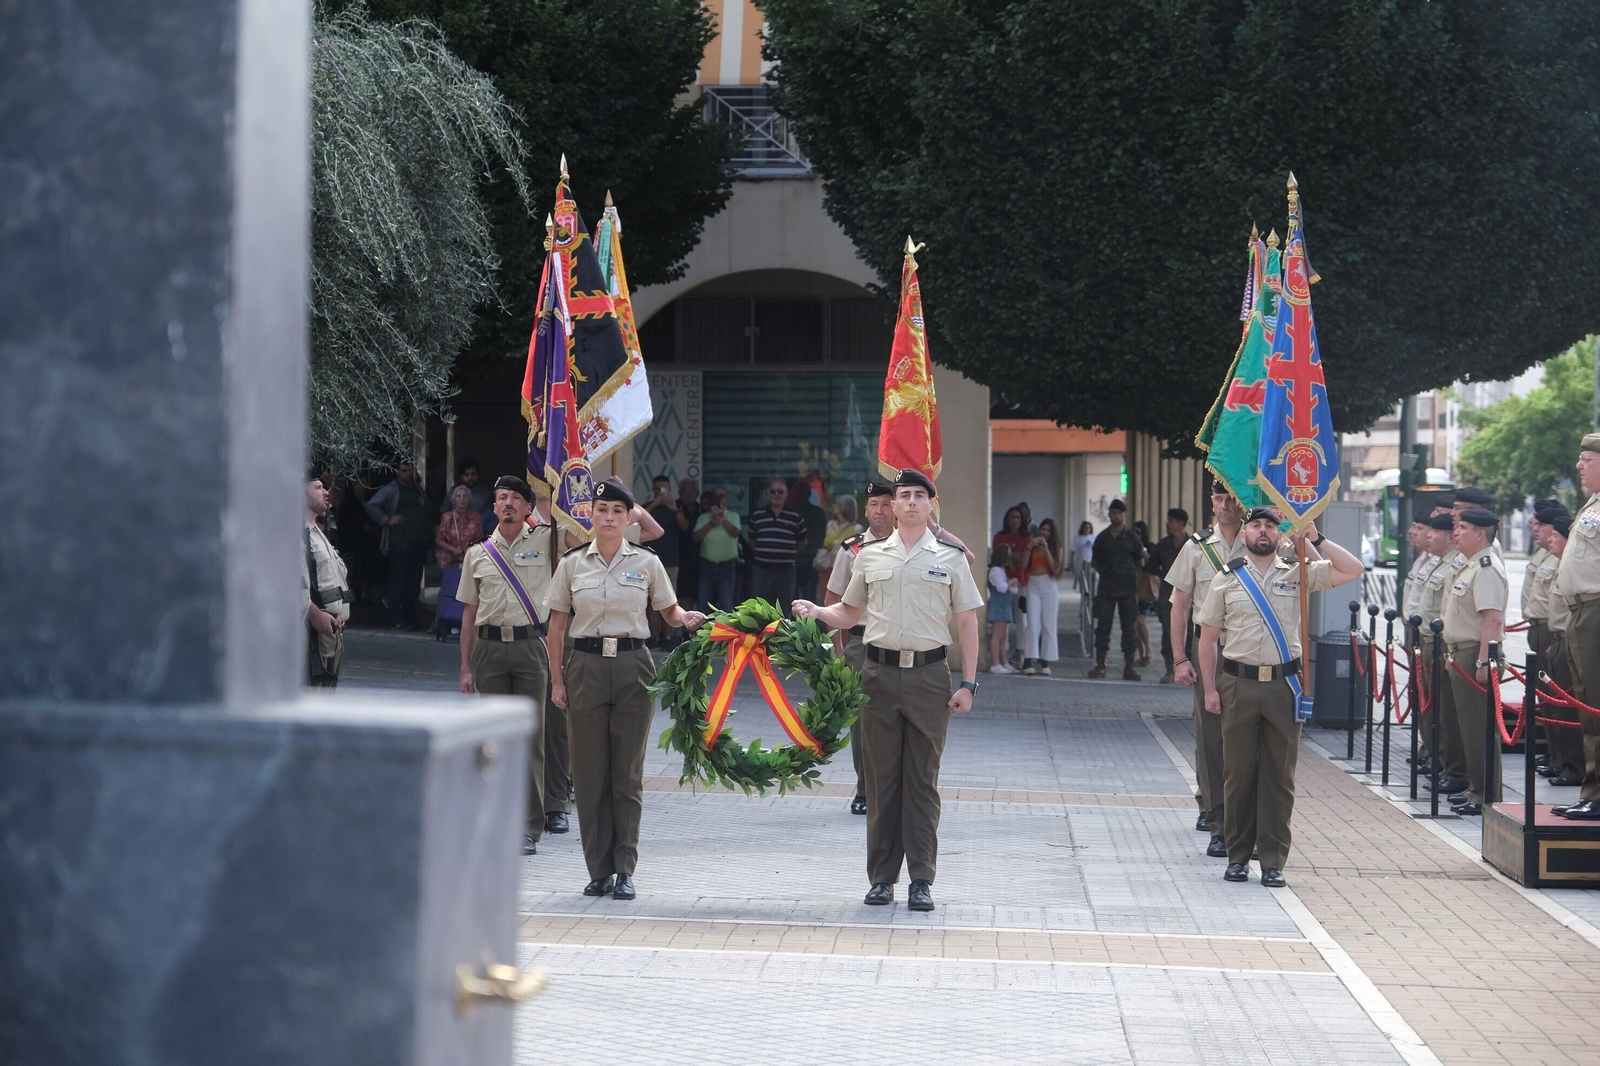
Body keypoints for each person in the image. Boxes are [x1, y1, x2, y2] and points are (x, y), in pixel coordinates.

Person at [793, 468, 982, 913]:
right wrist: (817, 610)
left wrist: (970, 683)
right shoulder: (869, 556)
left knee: (922, 782)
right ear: (891, 506)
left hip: (929, 677)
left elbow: (968, 621)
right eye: (904, 496)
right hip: (877, 677)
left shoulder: (951, 557)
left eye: (920, 495)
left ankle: (921, 879)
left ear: (930, 505)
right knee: (881, 783)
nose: (912, 502)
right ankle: (881, 879)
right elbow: (849, 610)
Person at [545, 477, 707, 899]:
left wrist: (686, 618)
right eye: (603, 511)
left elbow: (668, 611)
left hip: (635, 665)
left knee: (627, 774)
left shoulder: (647, 562)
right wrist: (557, 680)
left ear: (629, 517)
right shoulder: (572, 563)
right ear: (591, 516)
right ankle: (597, 869)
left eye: (619, 511)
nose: (610, 517)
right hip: (585, 666)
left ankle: (624, 869)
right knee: (589, 771)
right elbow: (557, 627)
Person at [1197, 508, 1363, 887]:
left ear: (1279, 534)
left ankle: (1273, 860)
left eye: (1270, 525)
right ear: (1243, 535)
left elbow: (1352, 569)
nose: (1262, 531)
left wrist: (1316, 539)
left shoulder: (1299, 571)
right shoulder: (1226, 580)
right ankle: (1238, 857)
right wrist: (1209, 689)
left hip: (1284, 687)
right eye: (1255, 525)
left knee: (1279, 777)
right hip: (1238, 684)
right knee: (1238, 775)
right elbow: (1207, 641)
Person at [456, 476, 557, 854]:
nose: (509, 503)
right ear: (494, 507)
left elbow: (576, 536)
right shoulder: (477, 554)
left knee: (531, 738)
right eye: (502, 498)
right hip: (490, 650)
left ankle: (529, 827)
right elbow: (469, 614)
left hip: (531, 648)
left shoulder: (547, 542)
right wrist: (465, 667)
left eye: (517, 497)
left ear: (529, 507)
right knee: (494, 739)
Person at [1165, 482, 1243, 848]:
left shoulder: (1263, 544)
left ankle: (1240, 814)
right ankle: (1216, 816)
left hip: (1248, 648)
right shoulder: (1196, 548)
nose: (1225, 505)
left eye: (1231, 498)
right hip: (1208, 648)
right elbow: (1179, 606)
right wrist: (1180, 658)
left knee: (1245, 735)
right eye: (1218, 498)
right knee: (1211, 733)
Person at [824, 481, 896, 813]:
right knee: (862, 720)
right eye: (874, 504)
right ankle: (865, 789)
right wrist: (836, 650)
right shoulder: (851, 549)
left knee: (898, 717)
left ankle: (895, 788)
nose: (880, 510)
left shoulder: (912, 547)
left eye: (886, 504)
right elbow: (832, 600)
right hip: (860, 643)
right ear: (865, 511)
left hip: (900, 644)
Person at [1439, 507, 1509, 815]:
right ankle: (1476, 789)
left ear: (1481, 533)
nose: (1458, 532)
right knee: (1468, 728)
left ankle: (1486, 795)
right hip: (1461, 652)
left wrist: (1483, 663)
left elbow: (1492, 619)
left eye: (1464, 527)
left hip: (1475, 654)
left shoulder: (1485, 567)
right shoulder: (1470, 566)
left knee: (1479, 728)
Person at [1553, 434, 1600, 821]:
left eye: (1586, 458)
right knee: (1587, 707)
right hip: (1582, 612)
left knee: (1596, 706)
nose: (1579, 465)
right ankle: (1592, 791)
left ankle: (1597, 795)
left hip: (1596, 610)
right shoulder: (1592, 504)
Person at [1529, 505, 1582, 785]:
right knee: (1551, 704)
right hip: (1554, 638)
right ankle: (1560, 760)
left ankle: (1573, 767)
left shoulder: (1571, 568)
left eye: (1556, 537)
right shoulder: (1555, 562)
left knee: (1566, 708)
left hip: (1564, 639)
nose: (1550, 540)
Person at [365, 461, 431, 631]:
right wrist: (386, 519)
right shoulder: (391, 489)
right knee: (398, 580)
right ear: (397, 473)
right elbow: (371, 505)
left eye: (410, 470)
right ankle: (396, 618)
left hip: (418, 542)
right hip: (400, 542)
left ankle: (411, 618)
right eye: (404, 470)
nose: (408, 473)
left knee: (414, 582)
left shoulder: (418, 489)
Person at [303, 473, 351, 687]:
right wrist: (315, 615)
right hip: (312, 632)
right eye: (318, 487)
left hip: (332, 630)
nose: (326, 492)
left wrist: (340, 614)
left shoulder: (318, 534)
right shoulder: (297, 533)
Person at [1090, 500, 1146, 680]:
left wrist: (1127, 575)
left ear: (1124, 515)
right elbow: (1095, 561)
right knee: (1103, 628)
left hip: (1128, 590)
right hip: (1106, 589)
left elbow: (1139, 561)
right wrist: (1108, 574)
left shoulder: (1131, 537)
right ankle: (1100, 665)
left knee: (1129, 629)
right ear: (1109, 515)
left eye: (1120, 513)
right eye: (1113, 513)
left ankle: (1129, 667)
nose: (1116, 516)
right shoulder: (1102, 537)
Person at [746, 478, 808, 609]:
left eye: (780, 491)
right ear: (768, 494)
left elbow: (802, 543)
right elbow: (752, 541)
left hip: (785, 572)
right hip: (761, 571)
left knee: (784, 609)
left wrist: (788, 555)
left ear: (786, 494)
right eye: (773, 491)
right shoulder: (757, 515)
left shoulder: (795, 517)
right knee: (760, 609)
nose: (776, 494)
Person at [1149, 509, 1189, 684]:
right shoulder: (1163, 545)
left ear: (1181, 524)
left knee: (1191, 632)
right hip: (1167, 596)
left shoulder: (1192, 544)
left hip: (1190, 597)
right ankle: (1169, 669)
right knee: (1168, 631)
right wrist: (1165, 577)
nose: (1167, 524)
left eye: (1171, 520)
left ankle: (1188, 669)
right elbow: (1150, 566)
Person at [1020, 518, 1064, 675]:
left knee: (1049, 623)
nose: (1045, 533)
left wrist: (1046, 551)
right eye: (1043, 529)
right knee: (1032, 622)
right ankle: (1028, 660)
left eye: (1048, 530)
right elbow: (1024, 565)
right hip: (1033, 585)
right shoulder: (1032, 545)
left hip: (1049, 585)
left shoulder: (1056, 548)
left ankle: (1045, 661)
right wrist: (1029, 546)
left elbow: (1056, 570)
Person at [646, 475, 683, 649]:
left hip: (671, 560)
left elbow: (685, 527)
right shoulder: (646, 508)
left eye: (664, 489)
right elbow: (638, 522)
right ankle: (654, 635)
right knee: (652, 602)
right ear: (653, 490)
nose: (661, 492)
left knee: (669, 600)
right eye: (657, 489)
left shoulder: (675, 507)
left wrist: (674, 509)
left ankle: (668, 637)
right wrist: (654, 504)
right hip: (650, 560)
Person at [994, 508, 1032, 668]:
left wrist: (1012, 556)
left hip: (1020, 581)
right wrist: (1016, 556)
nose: (1014, 520)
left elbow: (1024, 559)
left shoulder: (1026, 537)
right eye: (1011, 517)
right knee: (1005, 619)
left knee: (1021, 618)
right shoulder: (1000, 536)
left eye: (1017, 517)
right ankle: (1005, 654)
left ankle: (1021, 651)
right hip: (1004, 580)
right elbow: (1000, 556)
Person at [693, 487, 740, 612]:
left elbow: (735, 533)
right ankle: (701, 630)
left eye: (722, 496)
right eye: (716, 496)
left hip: (727, 566)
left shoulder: (733, 516)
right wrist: (711, 524)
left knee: (726, 602)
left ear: (726, 498)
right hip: (707, 565)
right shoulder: (703, 517)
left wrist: (722, 518)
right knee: (703, 601)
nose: (719, 499)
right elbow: (695, 537)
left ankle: (727, 631)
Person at [817, 493, 861, 594]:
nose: (833, 507)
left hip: (844, 570)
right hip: (827, 568)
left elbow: (856, 552)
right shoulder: (830, 525)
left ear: (844, 507)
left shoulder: (855, 529)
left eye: (836, 504)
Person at [436, 485, 483, 570]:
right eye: (458, 496)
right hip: (450, 561)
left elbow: (480, 540)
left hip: (470, 560)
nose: (462, 499)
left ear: (469, 500)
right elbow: (439, 540)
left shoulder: (476, 517)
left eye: (465, 496)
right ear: (454, 500)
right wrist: (453, 549)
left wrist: (469, 549)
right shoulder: (447, 517)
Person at [987, 545, 1018, 676]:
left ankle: (1004, 662)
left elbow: (1011, 589)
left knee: (1003, 636)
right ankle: (996, 663)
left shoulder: (1001, 570)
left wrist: (1012, 584)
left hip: (1004, 605)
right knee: (997, 635)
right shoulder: (995, 570)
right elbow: (1001, 587)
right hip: (998, 605)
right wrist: (1011, 583)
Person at [673, 477, 702, 607]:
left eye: (692, 492)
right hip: (678, 554)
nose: (689, 495)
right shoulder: (675, 506)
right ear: (680, 493)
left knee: (694, 593)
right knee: (680, 592)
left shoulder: (701, 509)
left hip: (698, 555)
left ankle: (691, 626)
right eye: (686, 491)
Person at [1132, 519, 1157, 667]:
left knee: (1140, 621)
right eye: (1133, 533)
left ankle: (1148, 649)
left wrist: (1143, 550)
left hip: (1145, 589)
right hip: (1131, 588)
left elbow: (1151, 564)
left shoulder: (1149, 547)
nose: (1136, 536)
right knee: (1135, 624)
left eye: (1138, 533)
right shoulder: (1128, 547)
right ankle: (1142, 655)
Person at [1070, 520, 1095, 590]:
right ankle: (1084, 596)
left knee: (1090, 581)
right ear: (1082, 528)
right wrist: (1071, 563)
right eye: (1085, 527)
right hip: (1080, 563)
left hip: (1090, 563)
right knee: (1083, 582)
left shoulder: (1093, 538)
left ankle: (1091, 597)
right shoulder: (1077, 539)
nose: (1087, 529)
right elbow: (1072, 551)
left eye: (1088, 528)